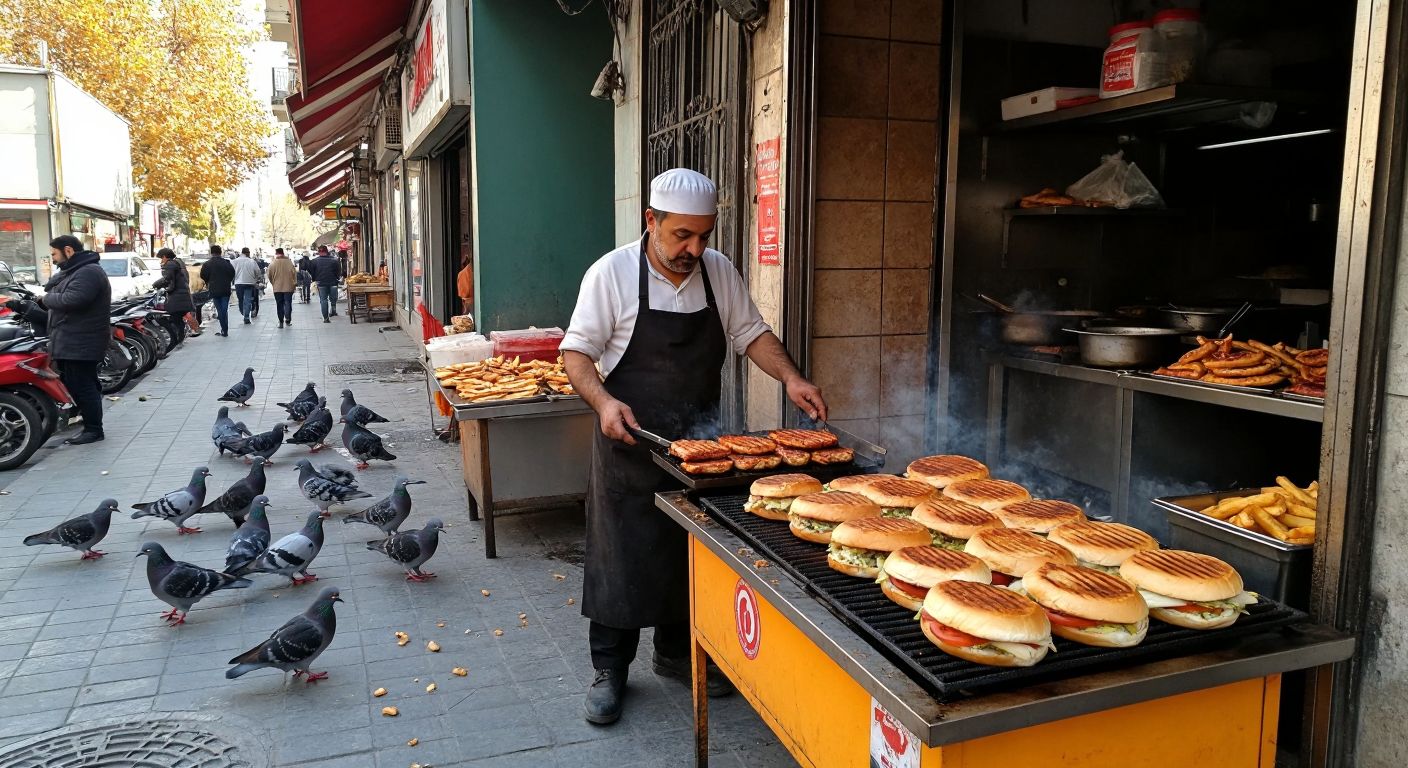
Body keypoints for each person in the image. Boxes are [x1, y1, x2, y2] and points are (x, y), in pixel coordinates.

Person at [560, 169, 828, 726]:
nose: (694, 249)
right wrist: (605, 404)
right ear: (651, 221)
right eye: (682, 235)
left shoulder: (718, 273)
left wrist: (792, 379)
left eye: (703, 236)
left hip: (700, 447)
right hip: (629, 445)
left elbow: (752, 333)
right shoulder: (610, 274)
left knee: (689, 554)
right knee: (623, 559)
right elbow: (576, 356)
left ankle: (678, 655)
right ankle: (610, 670)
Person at [3, 235, 113, 444]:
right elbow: (60, 295)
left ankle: (94, 429)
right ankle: (88, 423)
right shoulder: (76, 271)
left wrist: (45, 299)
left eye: (54, 254)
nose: (52, 258)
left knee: (83, 385)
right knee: (80, 382)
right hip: (73, 339)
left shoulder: (88, 272)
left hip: (82, 341)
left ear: (68, 250)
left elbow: (74, 299)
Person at [152, 248, 196, 337]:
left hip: (177, 297)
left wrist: (155, 284)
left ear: (164, 256)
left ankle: (178, 338)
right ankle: (180, 336)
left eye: (161, 258)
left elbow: (167, 279)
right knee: (178, 317)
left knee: (175, 318)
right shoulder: (177, 263)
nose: (161, 260)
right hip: (183, 295)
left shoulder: (170, 264)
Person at [199, 245, 236, 337]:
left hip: (214, 289)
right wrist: (228, 281)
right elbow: (232, 273)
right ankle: (224, 330)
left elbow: (203, 275)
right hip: (225, 289)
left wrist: (208, 281)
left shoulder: (207, 264)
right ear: (220, 252)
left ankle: (224, 329)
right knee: (224, 309)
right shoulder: (227, 263)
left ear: (211, 253)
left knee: (220, 310)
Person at [309, 245, 342, 322]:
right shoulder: (334, 260)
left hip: (321, 283)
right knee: (333, 298)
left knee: (323, 300)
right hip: (333, 282)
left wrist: (315, 279)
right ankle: (333, 310)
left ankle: (326, 318)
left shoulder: (314, 261)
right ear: (327, 252)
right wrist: (337, 278)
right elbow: (338, 271)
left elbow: (312, 272)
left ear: (319, 252)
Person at [267, 247, 297, 329]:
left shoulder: (273, 263)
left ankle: (280, 322)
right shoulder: (289, 262)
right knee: (288, 302)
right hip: (288, 287)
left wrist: (273, 283)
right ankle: (288, 319)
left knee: (279, 304)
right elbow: (294, 274)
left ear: (276, 254)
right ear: (283, 253)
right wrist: (294, 284)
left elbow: (269, 275)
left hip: (277, 288)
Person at [231, 248, 260, 324]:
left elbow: (231, 272)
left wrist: (233, 279)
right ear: (248, 253)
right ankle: (246, 316)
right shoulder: (252, 261)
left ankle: (243, 312)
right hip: (249, 283)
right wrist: (255, 279)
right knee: (247, 299)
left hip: (239, 283)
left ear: (242, 253)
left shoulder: (235, 261)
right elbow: (258, 272)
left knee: (240, 299)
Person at [186, 257, 208, 333]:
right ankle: (197, 325)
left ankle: (194, 327)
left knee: (193, 309)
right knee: (197, 308)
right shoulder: (200, 270)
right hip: (200, 292)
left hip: (191, 292)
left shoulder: (188, 271)